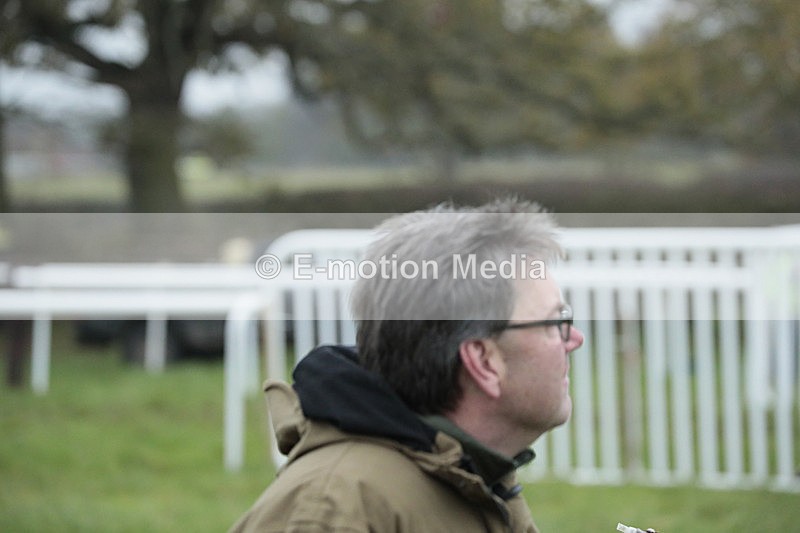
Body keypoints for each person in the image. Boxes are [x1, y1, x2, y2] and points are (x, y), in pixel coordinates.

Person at [230, 198, 584, 532]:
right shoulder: (333, 511)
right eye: (555, 322)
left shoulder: (475, 479)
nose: (574, 339)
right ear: (483, 361)